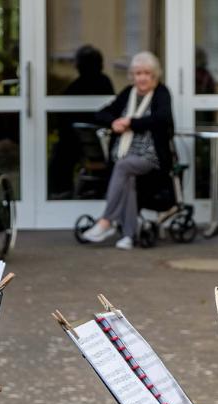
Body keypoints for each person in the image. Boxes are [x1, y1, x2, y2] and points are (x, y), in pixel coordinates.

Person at [81, 51, 174, 250]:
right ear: (133, 75)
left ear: (154, 76)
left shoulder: (161, 93)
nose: (141, 78)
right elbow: (101, 113)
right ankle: (129, 236)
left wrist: (132, 122)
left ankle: (107, 221)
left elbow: (162, 119)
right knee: (127, 175)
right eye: (138, 73)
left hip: (152, 157)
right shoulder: (128, 94)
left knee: (124, 166)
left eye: (146, 73)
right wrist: (114, 122)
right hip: (126, 156)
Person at [48, 44, 116, 199]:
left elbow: (63, 118)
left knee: (59, 155)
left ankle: (60, 192)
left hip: (84, 144)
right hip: (95, 143)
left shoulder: (77, 87)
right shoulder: (104, 82)